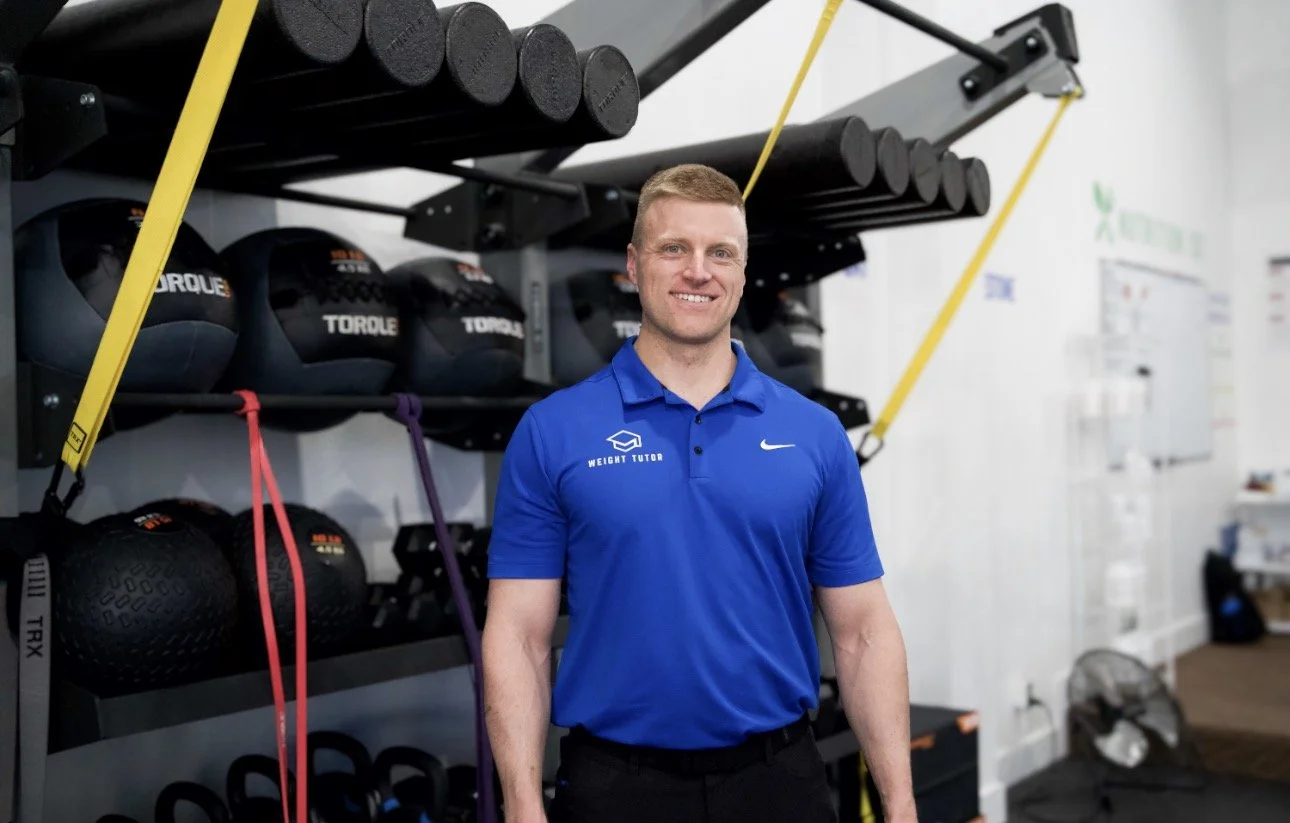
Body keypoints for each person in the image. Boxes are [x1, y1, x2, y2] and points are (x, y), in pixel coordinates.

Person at [481, 163, 916, 823]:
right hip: (615, 787)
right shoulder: (553, 431)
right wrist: (520, 803)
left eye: (721, 253)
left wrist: (901, 803)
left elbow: (862, 633)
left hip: (780, 783)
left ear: (743, 272)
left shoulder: (814, 434)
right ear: (634, 264)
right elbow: (517, 634)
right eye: (673, 248)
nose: (698, 270)